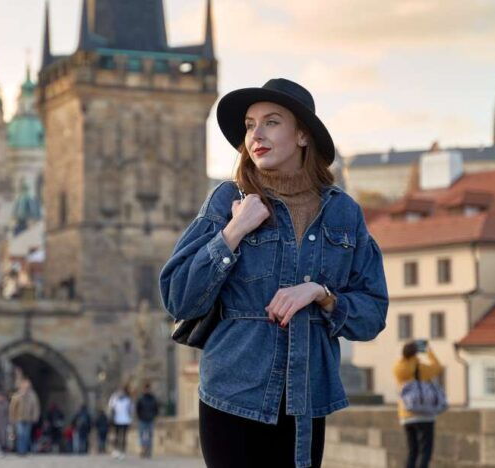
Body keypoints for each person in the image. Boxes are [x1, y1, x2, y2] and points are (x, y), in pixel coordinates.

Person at [159, 78, 388, 468]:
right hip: (233, 392)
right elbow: (178, 295)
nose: (256, 134)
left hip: (306, 398)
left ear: (302, 135)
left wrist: (321, 294)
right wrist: (233, 231)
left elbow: (372, 315)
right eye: (249, 125)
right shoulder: (229, 199)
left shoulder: (343, 212)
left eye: (271, 122)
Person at [394, 341, 444, 468]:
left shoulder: (399, 368)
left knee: (412, 451)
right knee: (425, 451)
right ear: (416, 352)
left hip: (406, 414)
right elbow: (437, 367)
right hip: (424, 414)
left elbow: (401, 365)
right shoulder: (421, 368)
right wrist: (429, 351)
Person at [8, 379, 40, 455]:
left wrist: (35, 416)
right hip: (19, 418)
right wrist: (12, 417)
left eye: (28, 386)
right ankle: (20, 450)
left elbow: (35, 407)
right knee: (20, 434)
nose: (26, 388)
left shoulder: (32, 395)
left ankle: (24, 450)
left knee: (26, 435)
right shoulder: (17, 395)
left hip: (28, 418)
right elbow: (12, 408)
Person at [107, 385, 133, 459]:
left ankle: (122, 451)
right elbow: (110, 408)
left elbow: (130, 409)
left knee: (124, 436)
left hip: (125, 420)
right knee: (117, 436)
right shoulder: (114, 398)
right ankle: (116, 450)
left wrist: (130, 418)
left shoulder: (128, 400)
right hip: (117, 420)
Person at [135, 383, 160, 459]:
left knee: (150, 436)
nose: (147, 390)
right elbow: (137, 409)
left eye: (148, 389)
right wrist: (139, 417)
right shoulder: (140, 399)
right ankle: (143, 449)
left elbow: (156, 408)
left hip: (150, 419)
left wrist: (154, 416)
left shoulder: (153, 398)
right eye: (146, 389)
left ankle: (149, 451)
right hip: (142, 419)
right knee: (141, 435)